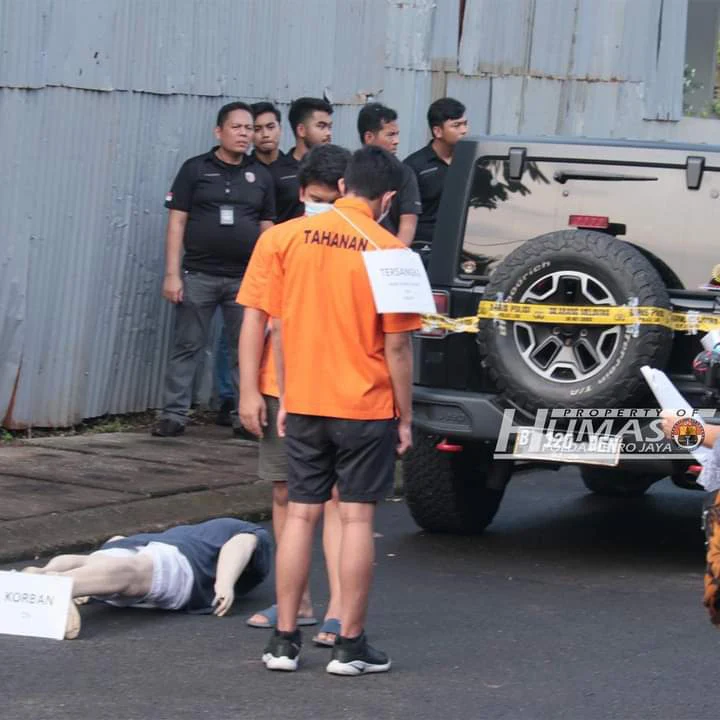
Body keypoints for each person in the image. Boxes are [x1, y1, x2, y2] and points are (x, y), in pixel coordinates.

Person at [258, 146, 421, 675]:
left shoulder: (286, 238)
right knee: (354, 518)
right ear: (388, 198)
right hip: (364, 403)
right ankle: (349, 645)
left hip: (304, 399)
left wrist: (286, 395)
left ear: (344, 184)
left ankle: (283, 641)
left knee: (300, 514)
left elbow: (277, 325)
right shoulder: (392, 251)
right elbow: (398, 346)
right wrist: (405, 416)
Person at [237, 144, 352, 647]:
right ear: (301, 192)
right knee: (285, 492)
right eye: (314, 199)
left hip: (341, 386)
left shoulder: (365, 243)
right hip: (280, 387)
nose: (321, 208)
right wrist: (248, 390)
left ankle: (341, 610)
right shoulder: (278, 240)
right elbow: (255, 319)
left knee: (337, 499)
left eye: (331, 200)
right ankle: (297, 601)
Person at [152, 102, 276, 438]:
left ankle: (243, 418)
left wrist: (268, 276)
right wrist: (172, 274)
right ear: (218, 131)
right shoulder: (195, 169)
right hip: (199, 274)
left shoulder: (261, 176)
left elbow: (267, 228)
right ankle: (173, 415)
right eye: (237, 127)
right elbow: (177, 222)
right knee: (187, 345)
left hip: (245, 279)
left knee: (243, 348)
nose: (244, 134)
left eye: (249, 128)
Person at [22, 518, 271, 639]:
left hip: (138, 544)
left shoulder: (186, 530)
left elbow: (116, 540)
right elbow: (242, 542)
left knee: (99, 561)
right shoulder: (246, 529)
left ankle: (44, 573)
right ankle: (64, 585)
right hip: (183, 561)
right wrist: (225, 582)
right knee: (133, 573)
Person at [251, 98, 333, 223]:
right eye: (321, 126)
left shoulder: (335, 170)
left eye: (330, 127)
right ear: (301, 130)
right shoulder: (273, 173)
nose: (328, 133)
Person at [404, 97, 468, 250]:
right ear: (437, 131)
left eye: (465, 124)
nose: (464, 130)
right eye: (456, 126)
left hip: (464, 246)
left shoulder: (470, 161)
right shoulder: (413, 166)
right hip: (424, 248)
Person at [357, 102, 421, 246]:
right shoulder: (349, 169)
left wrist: (396, 254)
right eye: (390, 135)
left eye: (397, 134)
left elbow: (408, 225)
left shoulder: (404, 173)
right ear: (369, 137)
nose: (396, 141)